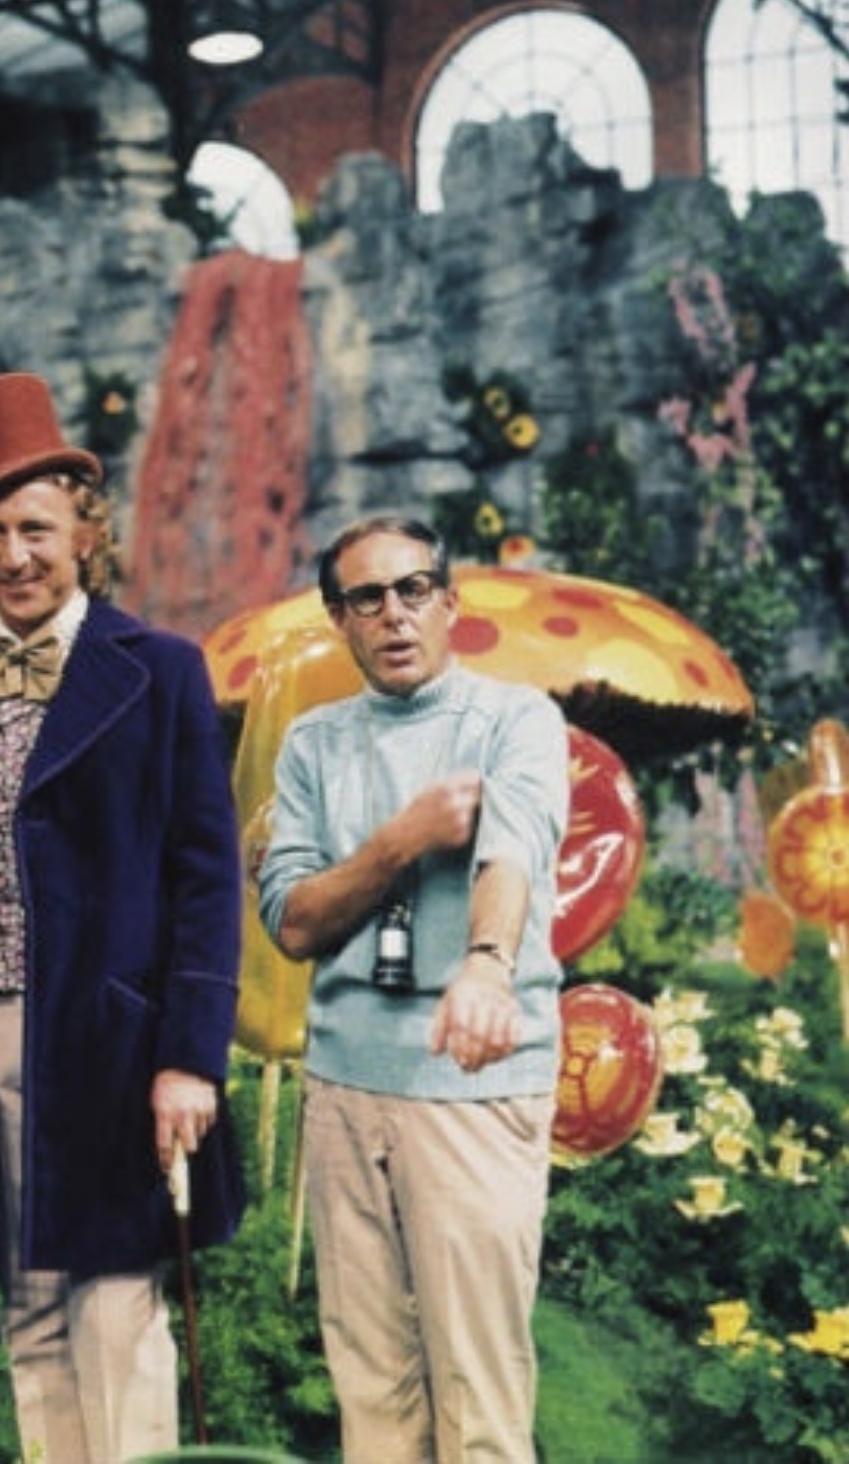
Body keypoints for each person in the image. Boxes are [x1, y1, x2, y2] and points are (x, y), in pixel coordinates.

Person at [0, 370, 245, 1464]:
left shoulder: (161, 671)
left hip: (112, 1041)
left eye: (35, 528)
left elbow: (205, 876)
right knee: (28, 1309)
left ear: (85, 531)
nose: (14, 555)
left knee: (114, 1310)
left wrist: (188, 1056)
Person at [256, 514, 569, 1464]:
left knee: (477, 1390)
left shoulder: (516, 719)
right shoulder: (312, 744)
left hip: (470, 1089)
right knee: (372, 1386)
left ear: (449, 603)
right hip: (345, 1087)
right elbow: (295, 922)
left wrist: (485, 964)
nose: (393, 614)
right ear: (339, 620)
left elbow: (512, 851)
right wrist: (403, 839)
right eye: (367, 598)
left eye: (413, 590)